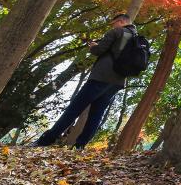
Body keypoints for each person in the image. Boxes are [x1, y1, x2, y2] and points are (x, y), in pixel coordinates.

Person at [35, 14, 136, 148]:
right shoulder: (136, 38)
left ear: (121, 21)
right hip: (117, 81)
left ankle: (46, 140)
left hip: (101, 76)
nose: (112, 26)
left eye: (113, 23)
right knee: (97, 114)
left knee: (74, 108)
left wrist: (93, 46)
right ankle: (80, 146)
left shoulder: (117, 31)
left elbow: (99, 50)